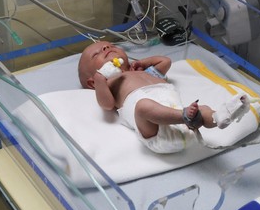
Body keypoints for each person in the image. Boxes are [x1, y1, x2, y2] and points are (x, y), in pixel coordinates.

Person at [77, 41, 249, 153]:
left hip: (180, 121)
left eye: (111, 45)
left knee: (202, 109)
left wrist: (144, 62)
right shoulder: (111, 85)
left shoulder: (143, 72)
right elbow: (106, 105)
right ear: (92, 82)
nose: (106, 48)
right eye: (97, 54)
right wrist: (101, 80)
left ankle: (219, 116)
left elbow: (165, 62)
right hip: (155, 131)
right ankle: (184, 116)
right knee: (143, 107)